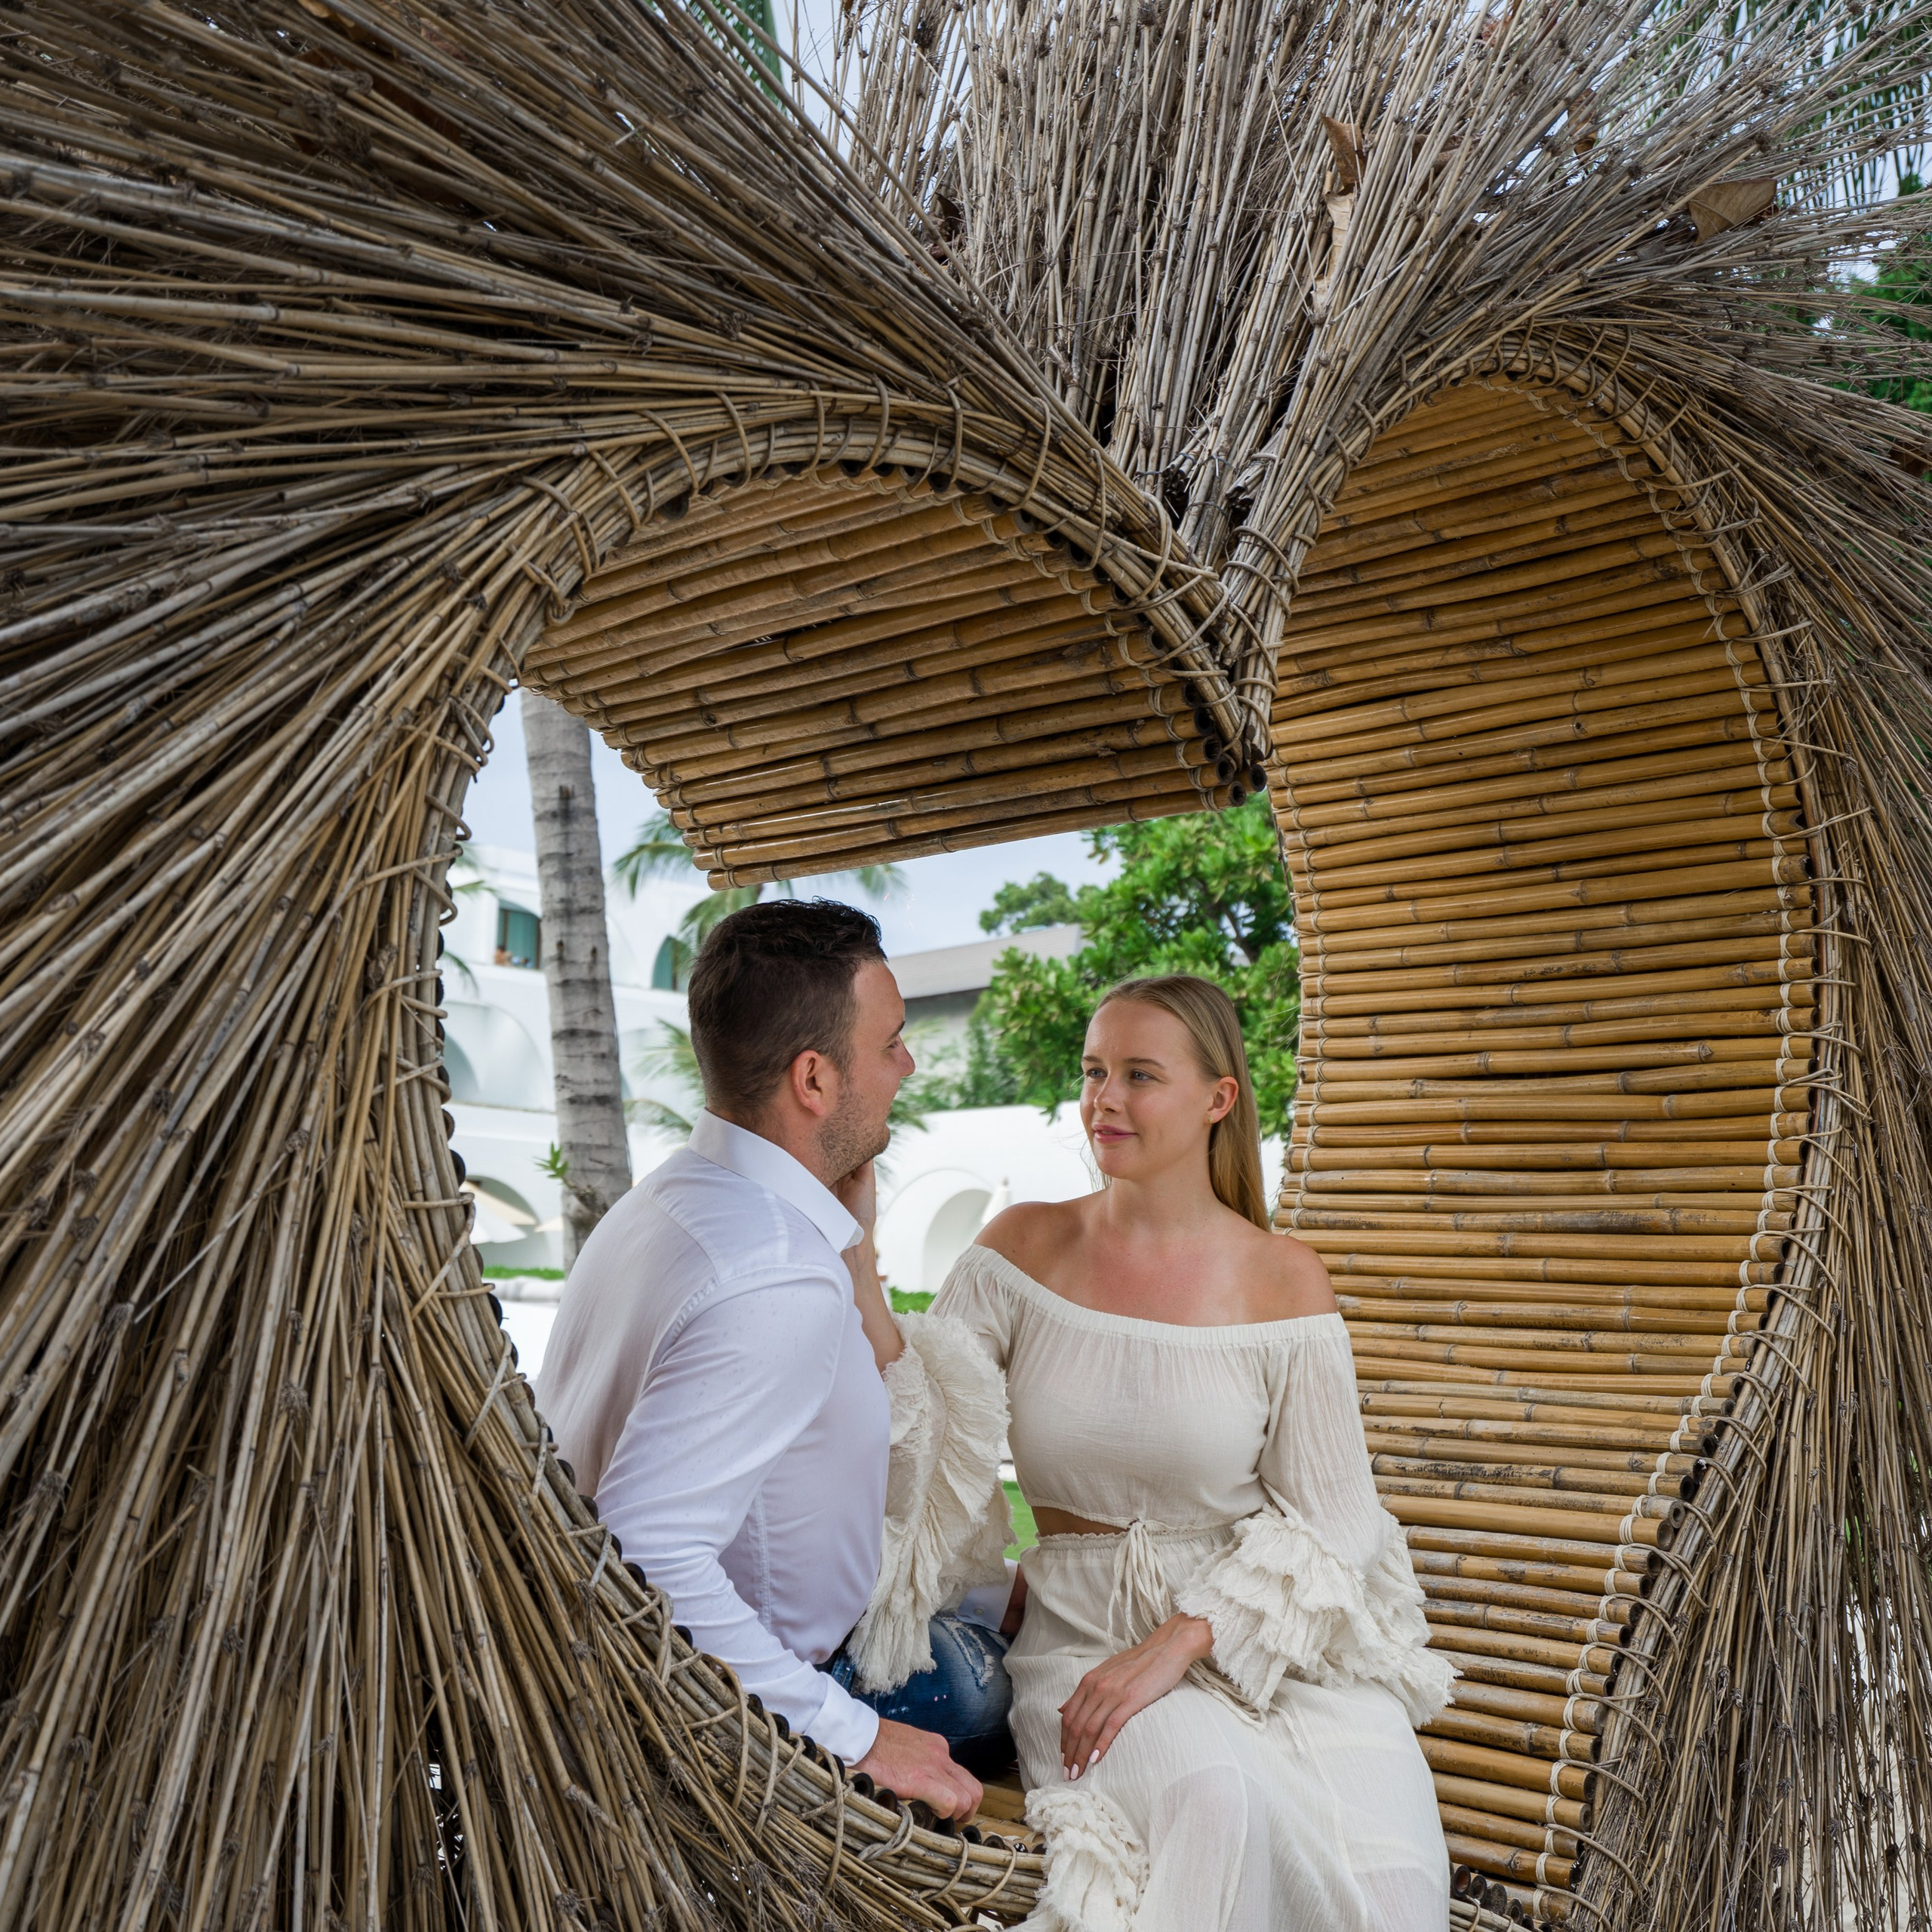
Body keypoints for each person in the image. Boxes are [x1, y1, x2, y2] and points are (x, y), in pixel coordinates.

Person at [933, 974, 1455, 1930]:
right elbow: (931, 1439)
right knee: (1215, 1802)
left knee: (1390, 1888)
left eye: (1140, 1074)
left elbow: (1337, 1512)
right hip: (1086, 1639)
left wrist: (1184, 1637)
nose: (1105, 1099)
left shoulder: (1283, 1279)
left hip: (1262, 1644)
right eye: (1094, 1072)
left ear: (1218, 1099)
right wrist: (987, 1582)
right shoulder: (1020, 1249)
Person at [535, 900, 1015, 1821]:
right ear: (813, 1079)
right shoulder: (776, 1276)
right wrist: (857, 1733)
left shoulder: (666, 1205)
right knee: (1009, 1684)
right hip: (765, 1695)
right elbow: (646, 1548)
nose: (907, 1066)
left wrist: (852, 1247)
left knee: (993, 1613)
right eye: (892, 1042)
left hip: (664, 1659)